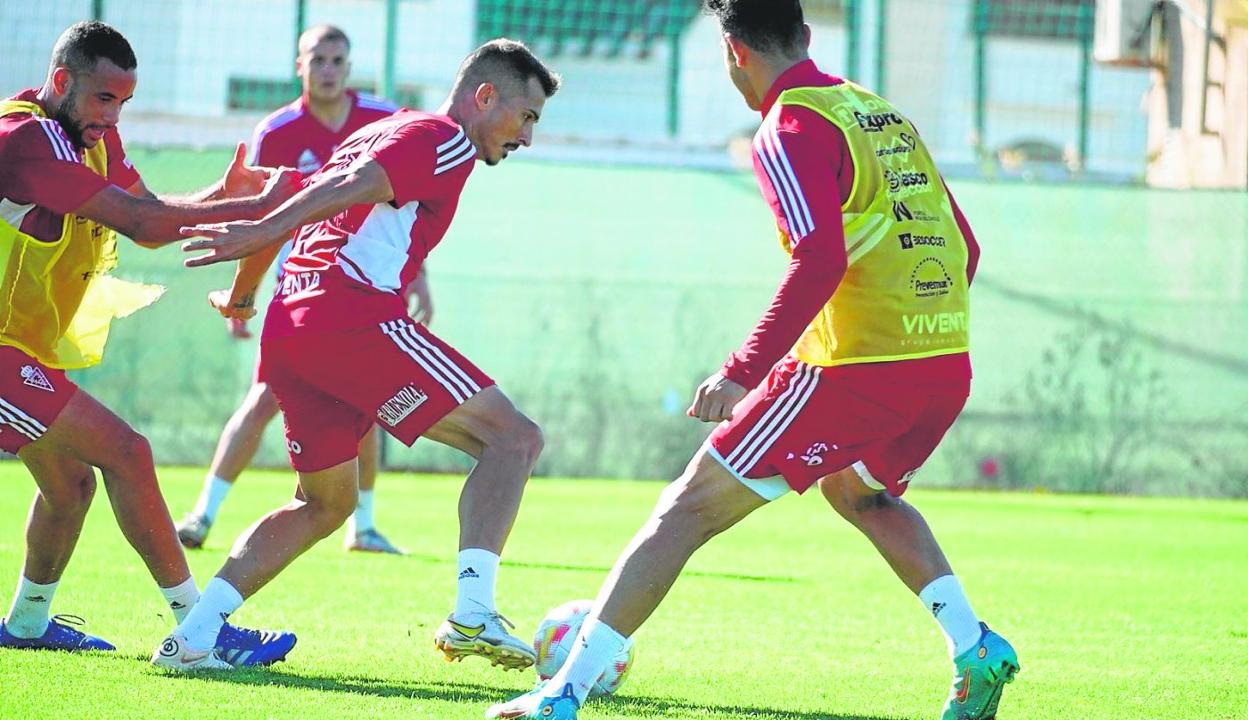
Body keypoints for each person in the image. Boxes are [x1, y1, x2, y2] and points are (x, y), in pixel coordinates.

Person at [486, 2, 1019, 719]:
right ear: (804, 36)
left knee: (684, 509)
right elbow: (967, 248)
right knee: (858, 492)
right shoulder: (879, 112)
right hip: (944, 363)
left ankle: (562, 695)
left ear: (734, 50)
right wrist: (917, 330)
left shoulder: (788, 126)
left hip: (852, 370)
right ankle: (973, 644)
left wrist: (743, 369)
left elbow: (820, 256)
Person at [151, 38, 561, 673]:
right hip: (352, 319)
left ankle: (193, 638)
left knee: (323, 504)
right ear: (486, 98)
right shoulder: (443, 138)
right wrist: (260, 235)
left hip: (292, 327)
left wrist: (242, 296)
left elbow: (293, 198)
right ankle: (474, 613)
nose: (527, 137)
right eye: (526, 117)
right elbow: (340, 188)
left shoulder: (376, 133)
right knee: (514, 440)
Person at [0, 21, 296, 667]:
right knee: (128, 453)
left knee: (71, 485)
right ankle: (197, 634)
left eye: (124, 102)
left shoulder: (90, 137)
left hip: (16, 353)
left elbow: (153, 218)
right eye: (105, 98)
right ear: (60, 83)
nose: (114, 115)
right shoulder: (28, 139)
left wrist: (225, 195)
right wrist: (261, 211)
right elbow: (141, 222)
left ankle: (24, 625)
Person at [175, 24, 423, 555]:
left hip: (370, 281)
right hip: (303, 288)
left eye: (338, 60)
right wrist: (244, 289)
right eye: (319, 60)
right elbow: (262, 214)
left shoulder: (385, 119)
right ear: (299, 66)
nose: (328, 69)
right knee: (266, 396)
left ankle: (365, 527)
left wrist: (420, 274)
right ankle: (202, 514)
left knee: (371, 397)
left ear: (349, 67)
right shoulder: (278, 130)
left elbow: (412, 201)